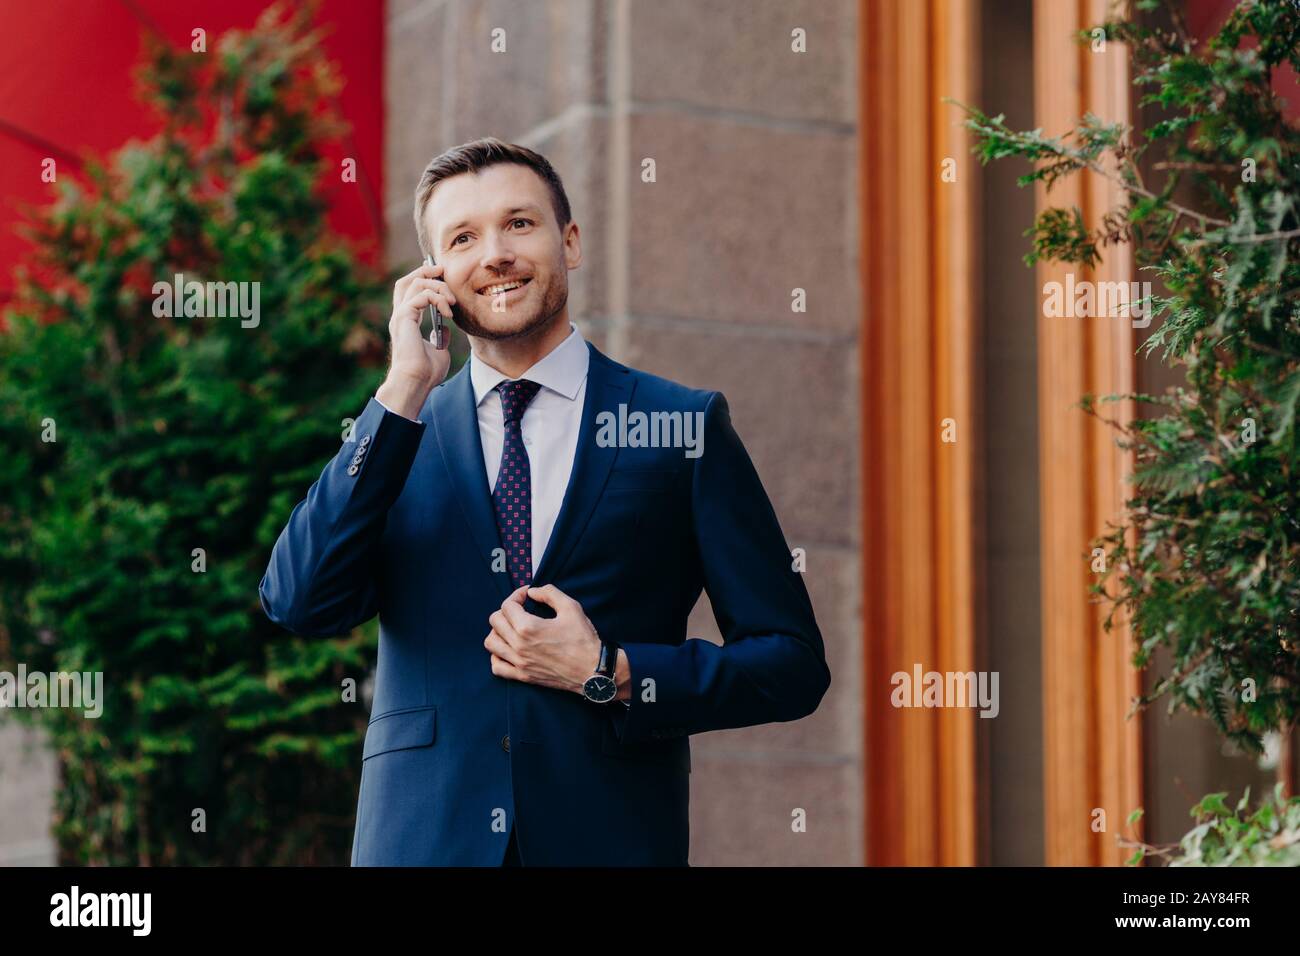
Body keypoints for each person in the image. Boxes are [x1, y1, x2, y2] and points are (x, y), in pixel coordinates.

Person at [259, 137, 831, 866]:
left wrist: (613, 670)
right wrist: (403, 387)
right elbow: (299, 601)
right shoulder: (397, 431)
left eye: (519, 224)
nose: (494, 253)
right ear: (434, 277)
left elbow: (791, 663)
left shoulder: (680, 426)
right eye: (463, 238)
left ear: (570, 242)